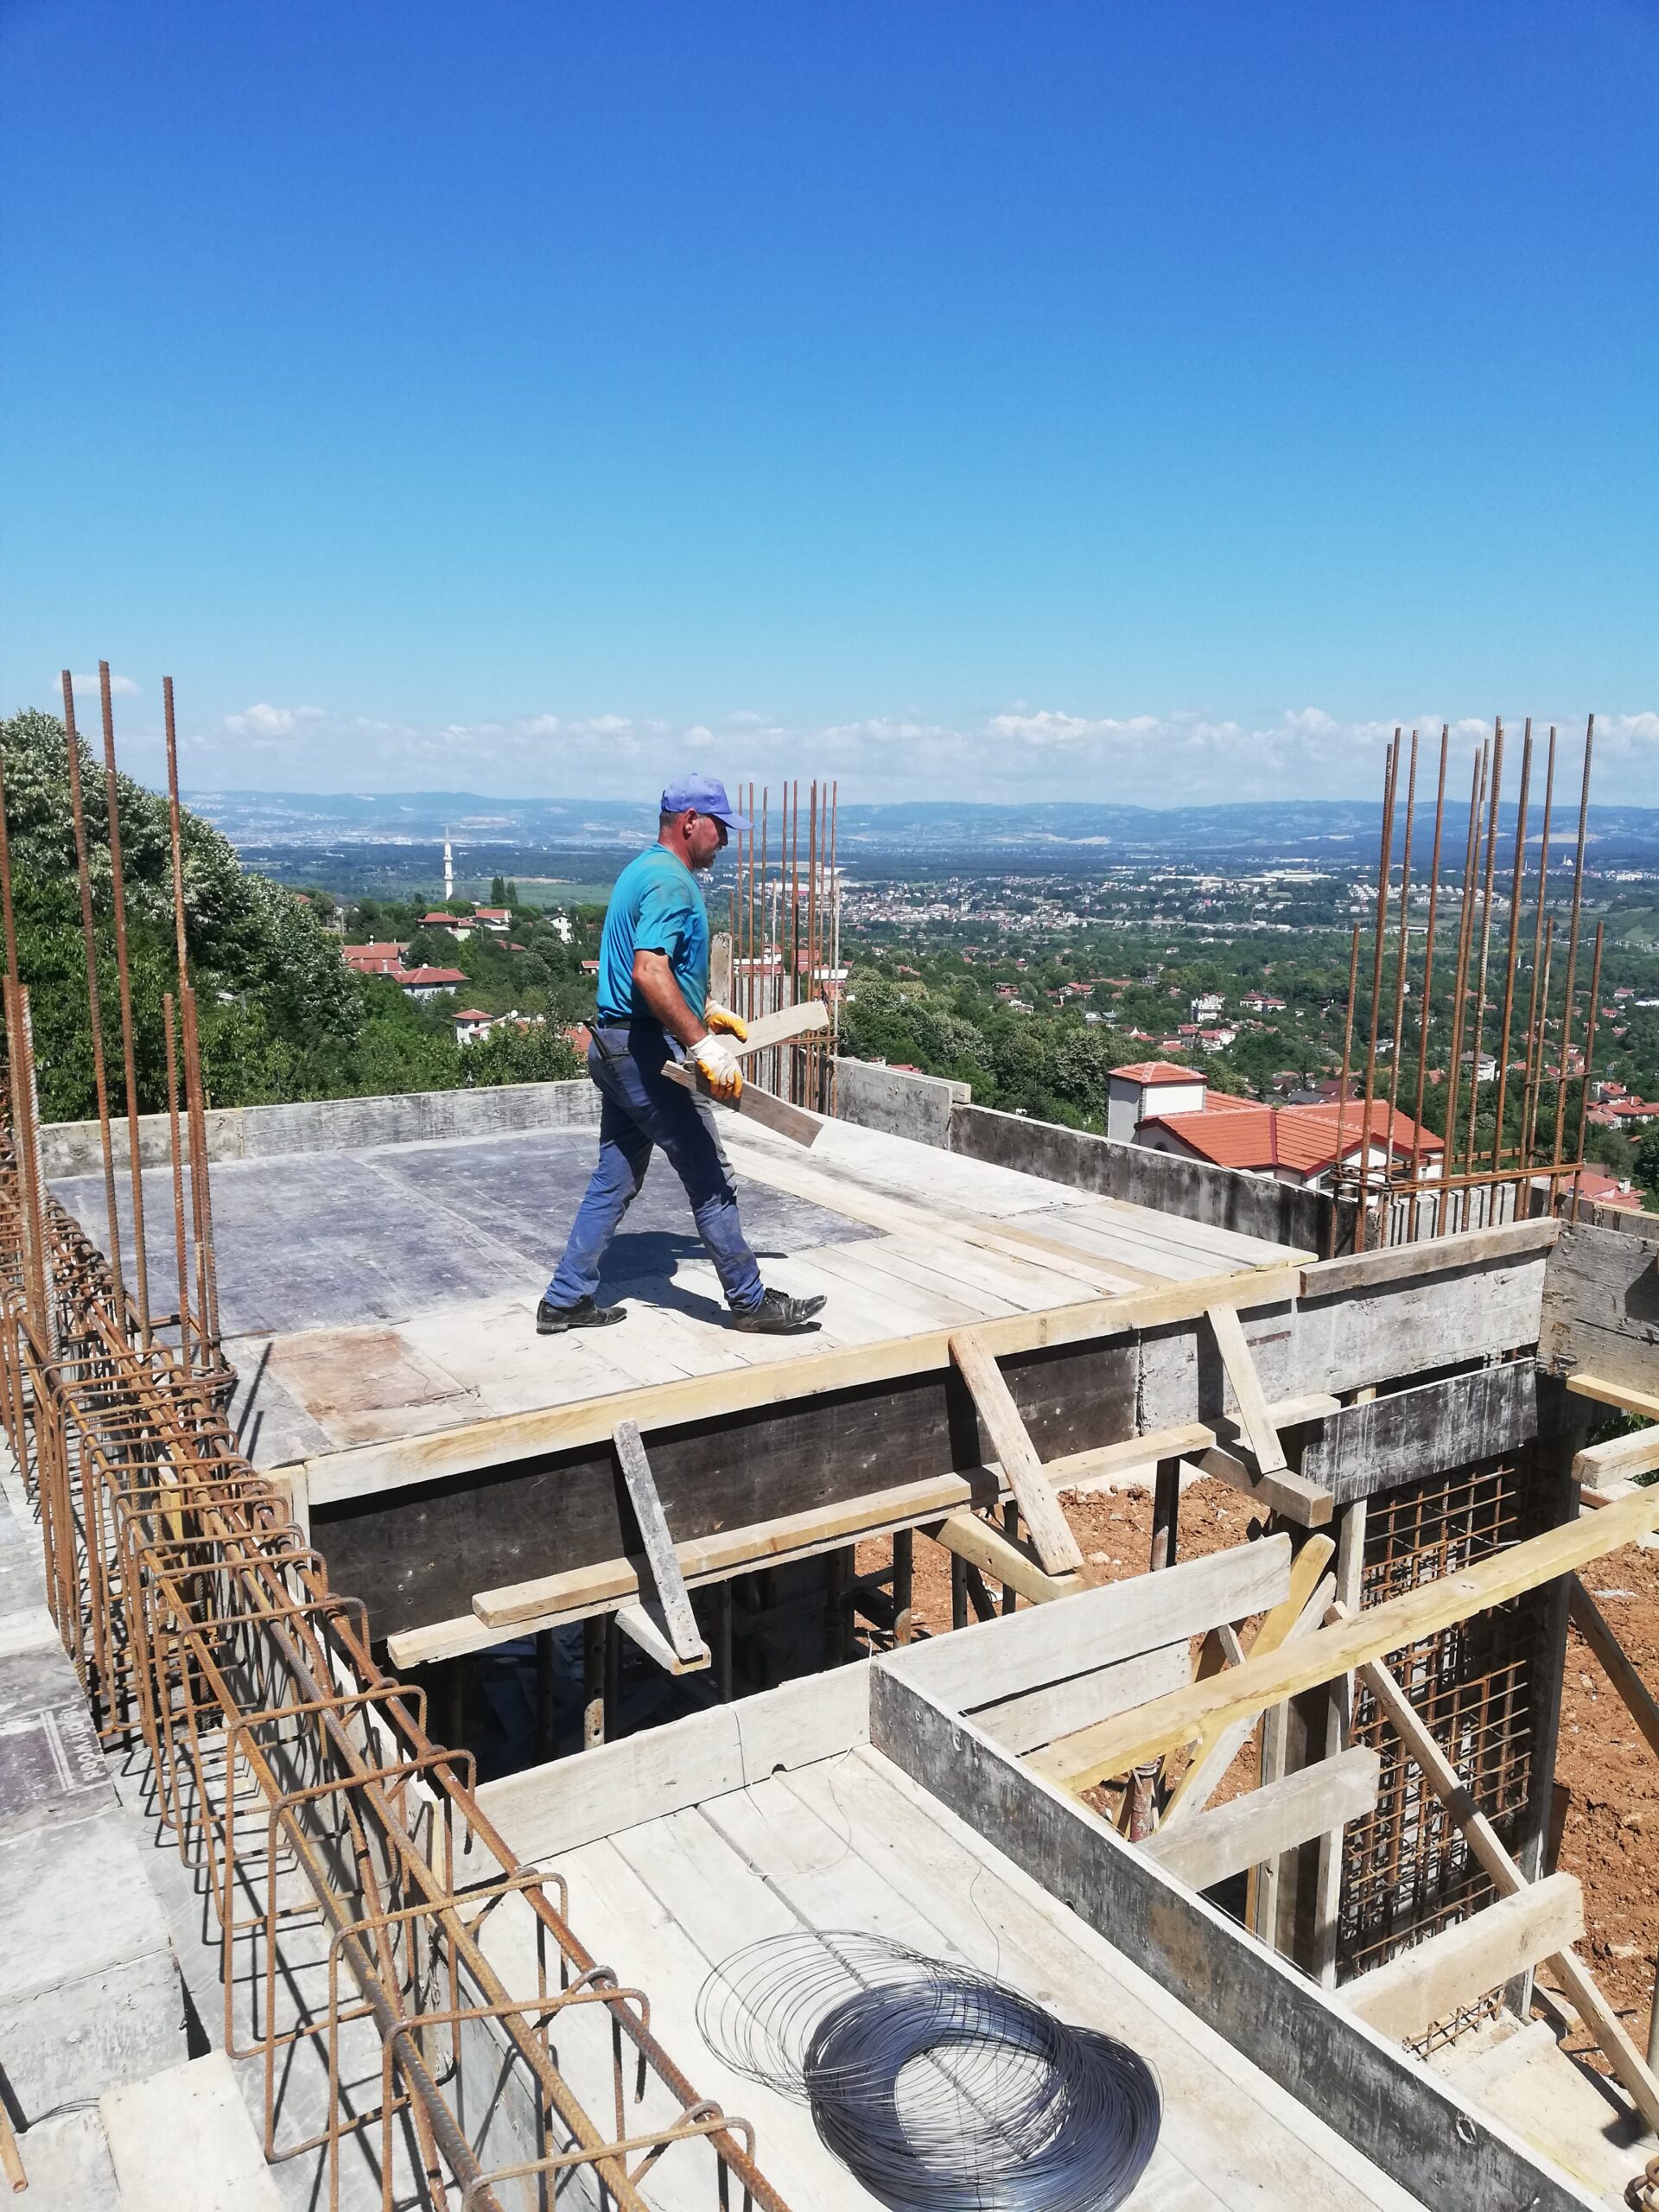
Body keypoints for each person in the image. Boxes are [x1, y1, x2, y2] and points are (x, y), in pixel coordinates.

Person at [538, 774, 827, 1337]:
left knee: (615, 1176)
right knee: (710, 1175)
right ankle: (750, 1302)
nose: (727, 840)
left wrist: (704, 1007)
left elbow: (648, 968)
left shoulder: (643, 869)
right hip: (645, 1052)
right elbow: (649, 972)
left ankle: (565, 1299)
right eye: (721, 827)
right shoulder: (671, 881)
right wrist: (702, 1043)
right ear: (691, 821)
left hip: (614, 1045)